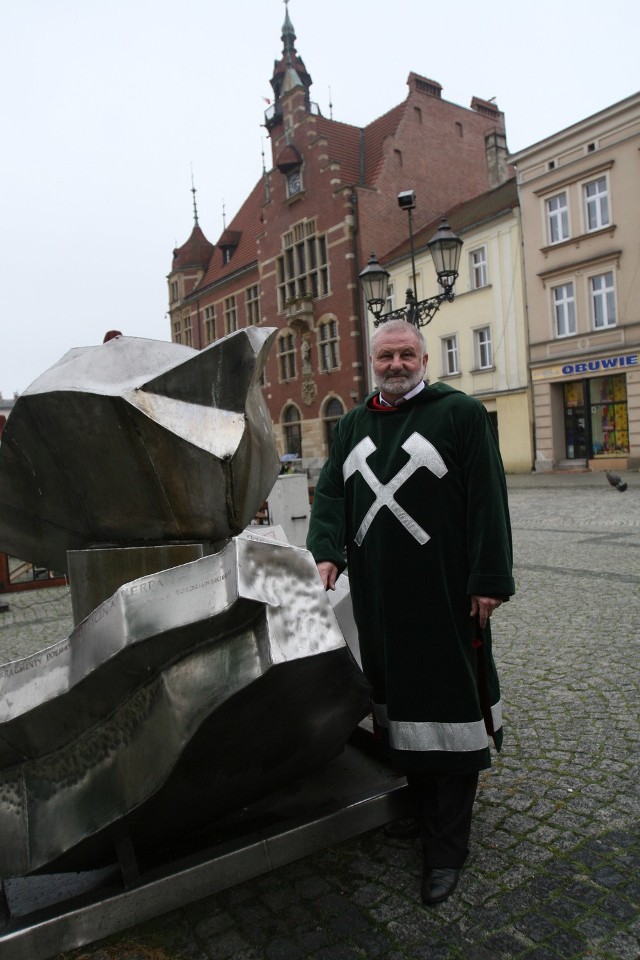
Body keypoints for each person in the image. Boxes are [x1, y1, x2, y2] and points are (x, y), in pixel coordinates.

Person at [306, 318, 514, 906]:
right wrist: (326, 552)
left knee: (447, 710)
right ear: (373, 362)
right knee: (400, 710)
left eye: (405, 355)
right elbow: (330, 495)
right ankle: (423, 813)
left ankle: (447, 849)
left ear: (424, 358)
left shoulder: (460, 416)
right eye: (385, 356)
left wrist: (488, 581)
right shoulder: (353, 425)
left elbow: (487, 499)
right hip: (378, 601)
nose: (395, 365)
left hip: (445, 597)